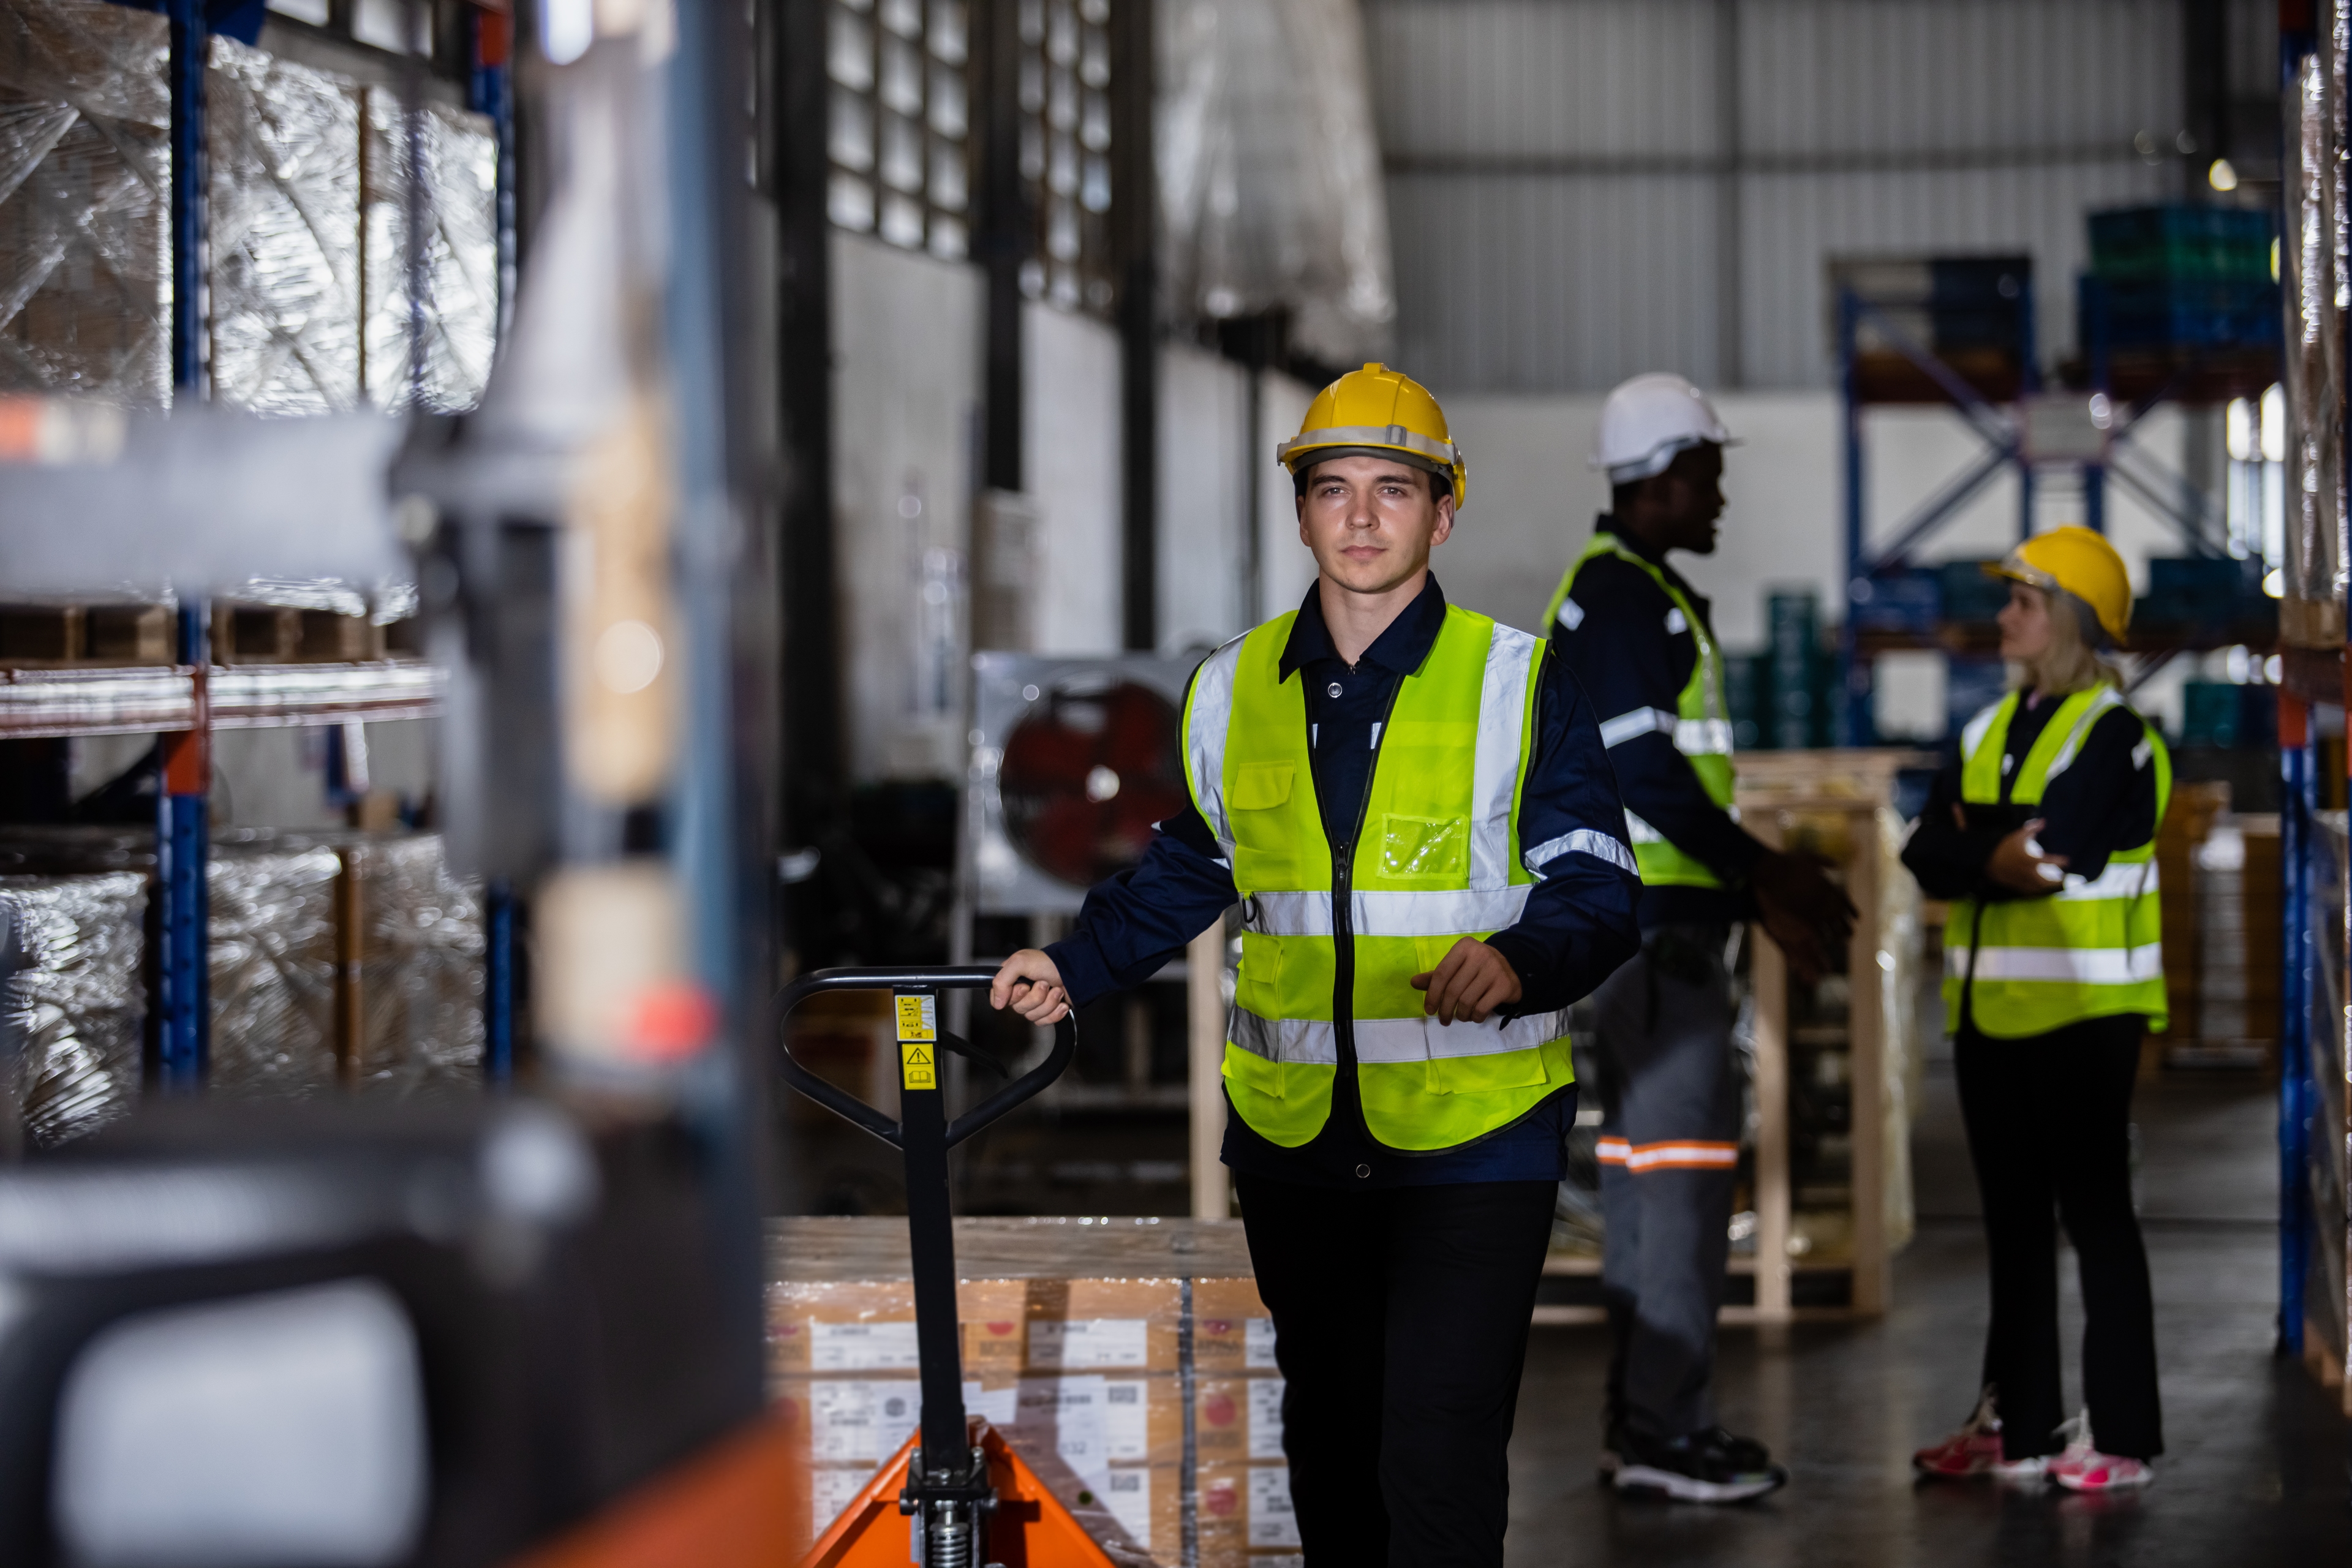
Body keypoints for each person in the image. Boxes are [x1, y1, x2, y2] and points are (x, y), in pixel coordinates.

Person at [990, 363, 1641, 1563]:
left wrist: (1519, 958)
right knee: (1333, 1451)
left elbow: (1600, 890)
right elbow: (1193, 866)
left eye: (1395, 489)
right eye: (1333, 488)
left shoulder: (1519, 680)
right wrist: (1077, 964)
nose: (1361, 516)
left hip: (1475, 1139)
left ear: (1444, 513)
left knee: (1436, 1457)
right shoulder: (1229, 687)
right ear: (1300, 513)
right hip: (1294, 1140)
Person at [1542, 372, 1855, 1504]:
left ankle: (1646, 1423)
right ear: (1664, 478)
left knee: (1648, 1179)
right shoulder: (1625, 599)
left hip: (1649, 926)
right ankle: (1668, 1433)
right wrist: (1764, 870)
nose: (1720, 498)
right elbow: (1643, 773)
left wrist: (1750, 893)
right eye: (1709, 476)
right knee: (1678, 1180)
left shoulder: (1625, 591)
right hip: (1656, 937)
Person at [1901, 527, 2169, 1494]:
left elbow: (2054, 857)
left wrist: (1976, 846)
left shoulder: (2116, 736)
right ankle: (2023, 1425)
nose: (2004, 617)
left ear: (2070, 619)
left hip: (2087, 1016)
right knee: (2014, 1225)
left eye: (2022, 601)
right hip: (1988, 1015)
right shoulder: (1985, 730)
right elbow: (1923, 850)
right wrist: (1992, 851)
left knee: (2097, 1218)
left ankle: (2124, 1437)